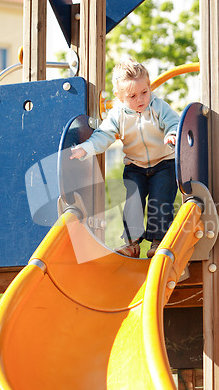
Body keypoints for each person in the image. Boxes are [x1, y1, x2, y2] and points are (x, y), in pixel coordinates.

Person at [70, 58, 179, 258]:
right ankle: (131, 243)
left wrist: (172, 133)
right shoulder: (117, 115)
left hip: (164, 164)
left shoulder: (157, 107)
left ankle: (158, 242)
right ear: (119, 97)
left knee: (160, 200)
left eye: (144, 92)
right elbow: (104, 135)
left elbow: (174, 122)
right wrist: (85, 148)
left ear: (149, 87)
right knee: (132, 202)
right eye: (132, 96)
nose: (140, 99)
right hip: (135, 166)